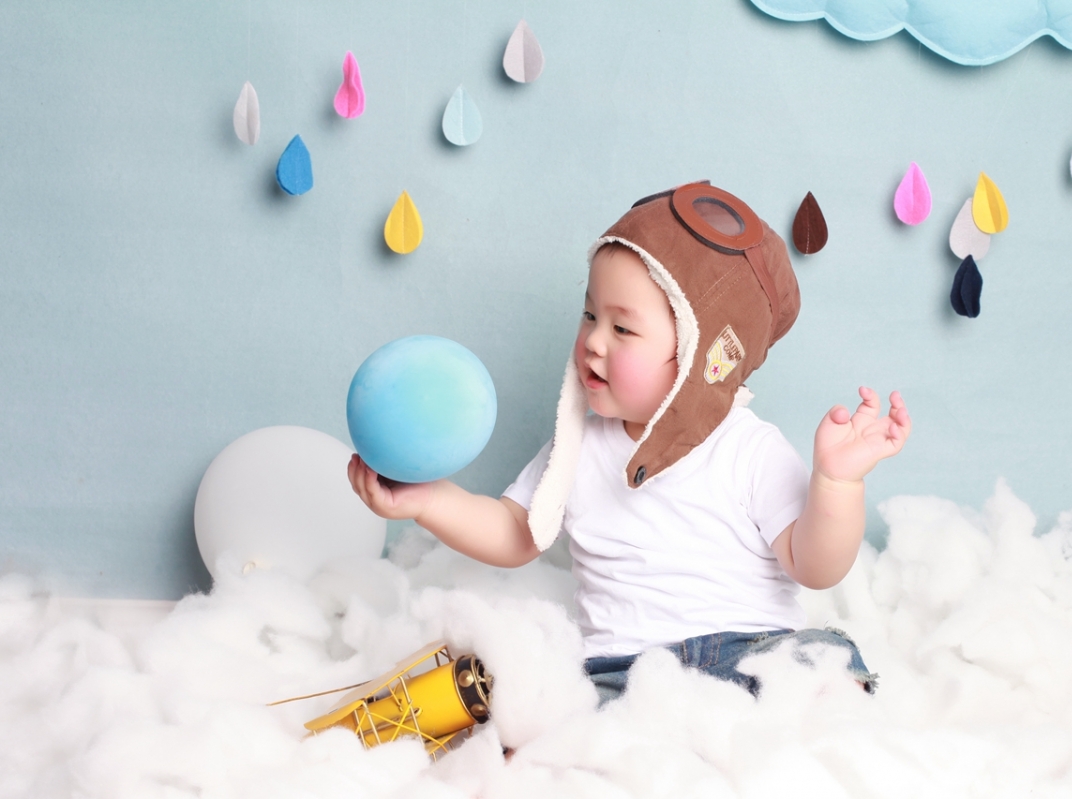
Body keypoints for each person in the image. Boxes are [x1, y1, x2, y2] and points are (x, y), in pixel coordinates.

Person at [348, 182, 911, 703]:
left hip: (749, 651)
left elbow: (814, 566)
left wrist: (836, 483)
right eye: (589, 315)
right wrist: (428, 500)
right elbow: (517, 531)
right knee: (553, 716)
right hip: (622, 670)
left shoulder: (748, 448)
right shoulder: (577, 445)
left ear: (700, 358)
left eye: (622, 328)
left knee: (826, 660)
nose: (593, 341)